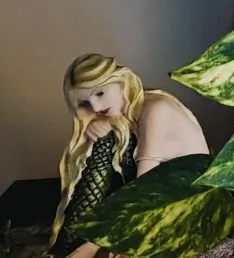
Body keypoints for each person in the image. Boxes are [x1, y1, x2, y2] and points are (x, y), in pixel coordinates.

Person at [51, 53, 210, 258]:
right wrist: (104, 124)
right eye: (86, 104)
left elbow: (141, 190)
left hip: (190, 205)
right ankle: (79, 240)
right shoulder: (135, 108)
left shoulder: (156, 109)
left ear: (121, 81)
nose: (96, 108)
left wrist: (92, 245)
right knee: (104, 143)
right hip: (162, 198)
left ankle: (83, 243)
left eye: (100, 93)